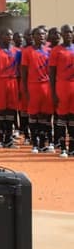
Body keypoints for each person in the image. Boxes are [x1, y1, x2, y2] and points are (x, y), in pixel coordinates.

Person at [22, 27, 53, 153]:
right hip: (33, 86)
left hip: (46, 86)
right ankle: (35, 144)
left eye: (43, 34)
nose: (41, 36)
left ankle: (44, 142)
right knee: (33, 115)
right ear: (33, 36)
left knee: (46, 116)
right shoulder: (27, 51)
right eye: (38, 34)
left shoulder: (49, 51)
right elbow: (23, 72)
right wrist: (25, 90)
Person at [0, 28, 21, 149]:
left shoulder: (17, 52)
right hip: (1, 82)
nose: (9, 36)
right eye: (6, 34)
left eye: (10, 34)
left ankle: (9, 139)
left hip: (13, 82)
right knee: (1, 112)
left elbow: (20, 72)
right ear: (1, 36)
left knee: (11, 112)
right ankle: (0, 139)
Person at [50, 24, 74, 157]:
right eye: (66, 32)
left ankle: (72, 147)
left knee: (73, 118)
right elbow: (52, 73)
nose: (69, 34)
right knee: (61, 118)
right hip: (62, 86)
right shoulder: (56, 50)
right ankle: (63, 148)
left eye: (71, 32)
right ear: (62, 34)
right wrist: (53, 92)